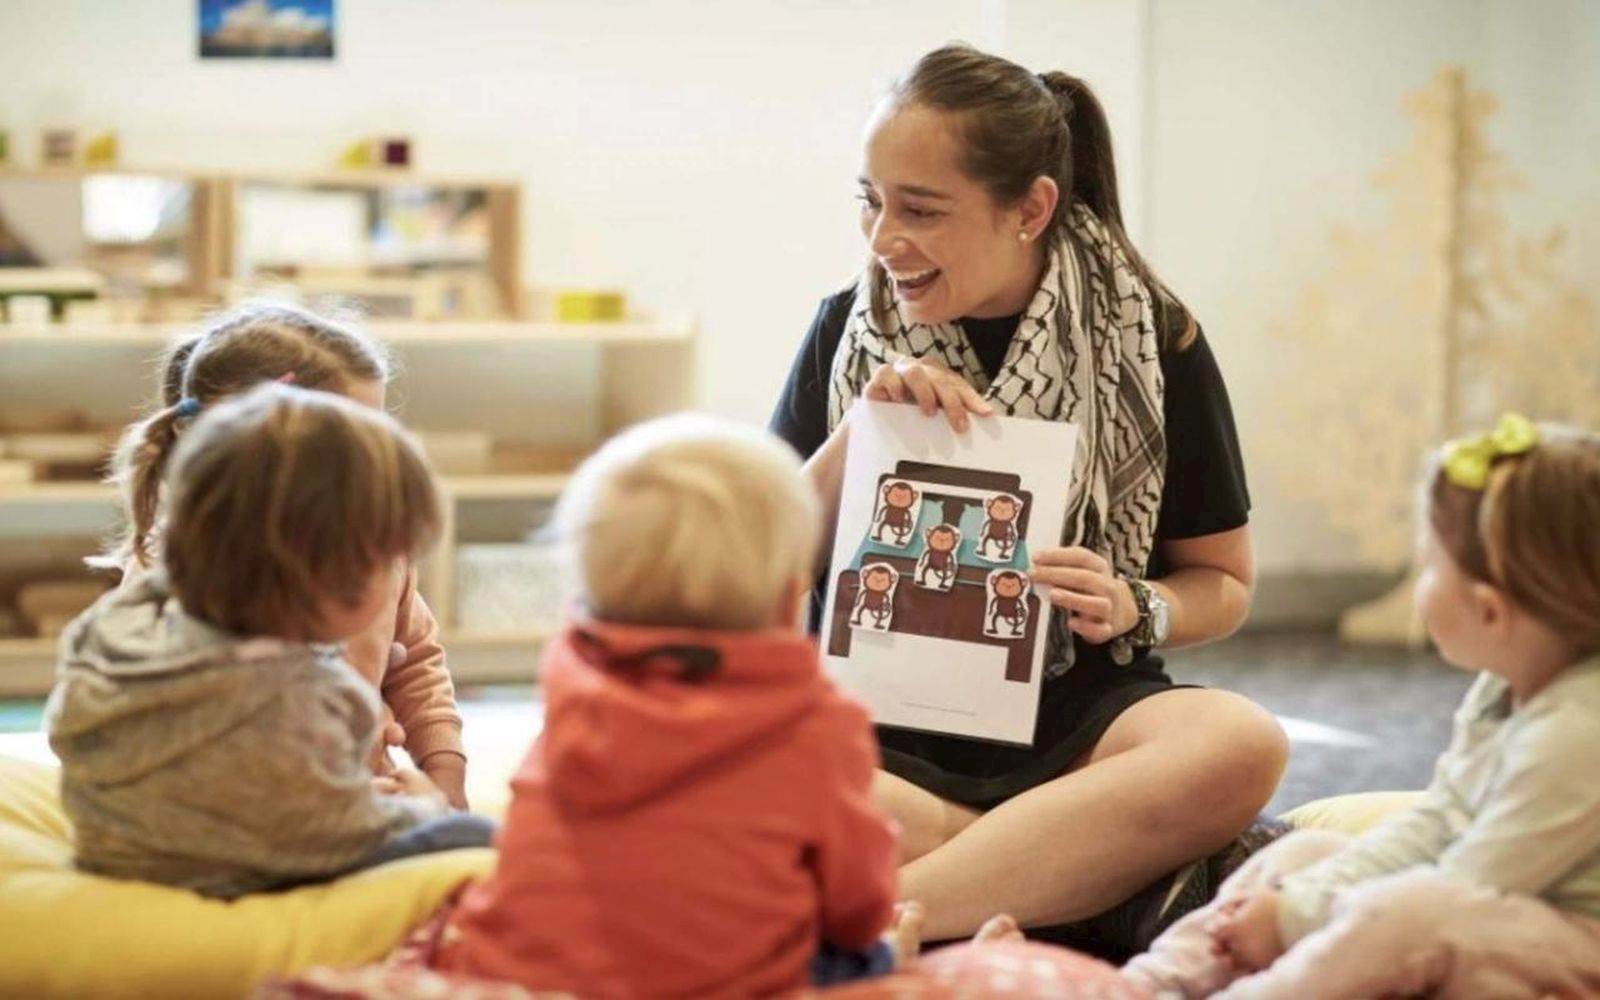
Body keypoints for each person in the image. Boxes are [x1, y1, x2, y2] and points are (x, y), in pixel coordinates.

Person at [770, 44, 1286, 945]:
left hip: (1079, 723)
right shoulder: (840, 331)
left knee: (1239, 744)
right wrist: (861, 435)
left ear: (1030, 208)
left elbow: (1225, 583)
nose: (882, 238)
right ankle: (1080, 877)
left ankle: (891, 914)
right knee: (726, 766)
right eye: (870, 200)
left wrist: (1137, 603)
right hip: (873, 728)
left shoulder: (1158, 343)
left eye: (920, 209)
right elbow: (751, 570)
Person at [1121, 415, 1600, 998]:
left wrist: (1294, 919)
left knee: (1411, 912)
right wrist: (1289, 900)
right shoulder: (1503, 684)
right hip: (1493, 906)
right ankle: (1141, 986)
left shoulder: (1576, 736)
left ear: (1491, 613)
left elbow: (1473, 882)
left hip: (1567, 938)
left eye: (1428, 568)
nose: (1421, 584)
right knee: (1300, 854)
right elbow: (1439, 821)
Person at [434, 415, 904, 997]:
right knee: (868, 953)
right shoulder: (818, 727)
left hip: (519, 976)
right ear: (790, 599)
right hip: (719, 984)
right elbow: (857, 904)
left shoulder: (573, 693)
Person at [47, 385, 493, 898]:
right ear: (334, 583)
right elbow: (338, 834)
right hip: (234, 875)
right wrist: (421, 808)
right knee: (475, 836)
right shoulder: (307, 696)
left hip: (112, 849)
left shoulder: (113, 624)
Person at [99, 302, 470, 806]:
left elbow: (416, 664)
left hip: (355, 802)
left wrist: (444, 776)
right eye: (349, 447)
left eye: (376, 437)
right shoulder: (183, 570)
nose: (372, 465)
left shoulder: (376, 543)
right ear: (256, 451)